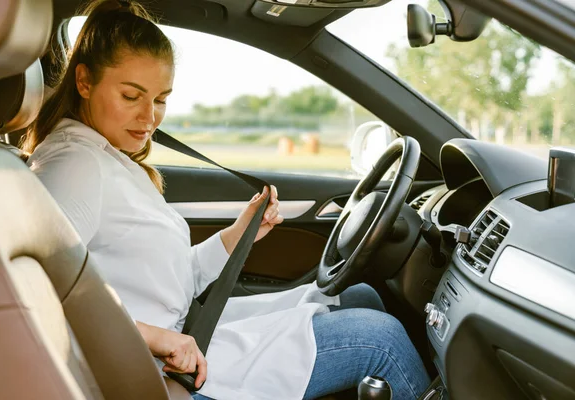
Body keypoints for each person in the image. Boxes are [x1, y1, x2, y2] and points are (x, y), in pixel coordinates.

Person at [22, 1, 431, 399]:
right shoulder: (74, 166)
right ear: (84, 82)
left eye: (160, 99)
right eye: (131, 96)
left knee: (360, 297)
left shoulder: (106, 155)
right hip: (154, 366)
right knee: (382, 339)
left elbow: (169, 279)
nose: (149, 118)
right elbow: (34, 298)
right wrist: (156, 338)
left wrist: (239, 235)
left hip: (181, 337)